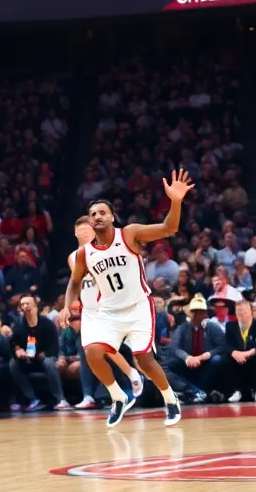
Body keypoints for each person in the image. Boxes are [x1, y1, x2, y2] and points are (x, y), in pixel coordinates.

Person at [65, 171, 193, 428]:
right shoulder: (84, 254)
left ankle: (170, 399)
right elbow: (75, 281)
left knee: (143, 359)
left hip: (138, 307)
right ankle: (118, 396)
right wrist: (69, 304)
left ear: (112, 217)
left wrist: (176, 201)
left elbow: (170, 228)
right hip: (109, 312)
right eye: (93, 215)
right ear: (90, 223)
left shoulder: (130, 234)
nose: (98, 217)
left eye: (102, 212)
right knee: (92, 352)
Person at [65, 215, 142, 409]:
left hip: (107, 305)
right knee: (96, 351)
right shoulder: (73, 257)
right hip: (88, 307)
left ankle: (130, 378)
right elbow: (78, 280)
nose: (82, 232)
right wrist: (67, 307)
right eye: (79, 229)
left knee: (104, 346)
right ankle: (126, 381)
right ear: (74, 233)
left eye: (86, 228)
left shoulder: (105, 249)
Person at [167, 295, 227, 401]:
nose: (197, 315)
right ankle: (196, 391)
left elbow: (221, 346)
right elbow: (174, 347)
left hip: (207, 361)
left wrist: (205, 356)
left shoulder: (212, 327)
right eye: (194, 312)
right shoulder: (183, 328)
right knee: (171, 364)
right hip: (189, 362)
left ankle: (198, 391)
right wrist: (187, 357)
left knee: (217, 359)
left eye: (200, 312)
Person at [225, 300, 256, 402]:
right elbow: (227, 344)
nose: (241, 314)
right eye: (239, 311)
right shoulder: (230, 327)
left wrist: (251, 352)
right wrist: (234, 352)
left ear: (251, 312)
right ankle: (237, 390)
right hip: (239, 357)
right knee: (227, 358)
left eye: (244, 311)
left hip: (255, 355)